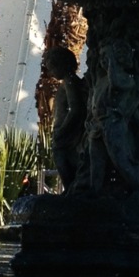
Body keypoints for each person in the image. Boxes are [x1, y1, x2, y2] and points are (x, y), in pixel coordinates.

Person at [41, 46, 87, 190]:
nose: (50, 72)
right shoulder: (68, 82)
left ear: (62, 64)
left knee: (63, 159)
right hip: (65, 132)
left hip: (68, 133)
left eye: (52, 68)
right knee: (65, 160)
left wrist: (63, 130)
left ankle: (72, 190)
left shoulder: (70, 82)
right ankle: (72, 190)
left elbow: (76, 109)